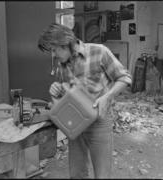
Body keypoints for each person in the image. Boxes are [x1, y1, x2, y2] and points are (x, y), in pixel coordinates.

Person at [38, 23, 132, 178]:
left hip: (99, 122)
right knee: (77, 173)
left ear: (65, 42)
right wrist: (57, 89)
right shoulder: (61, 64)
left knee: (102, 175)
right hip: (75, 124)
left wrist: (107, 97)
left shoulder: (99, 52)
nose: (53, 55)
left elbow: (124, 77)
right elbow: (64, 96)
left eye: (54, 50)